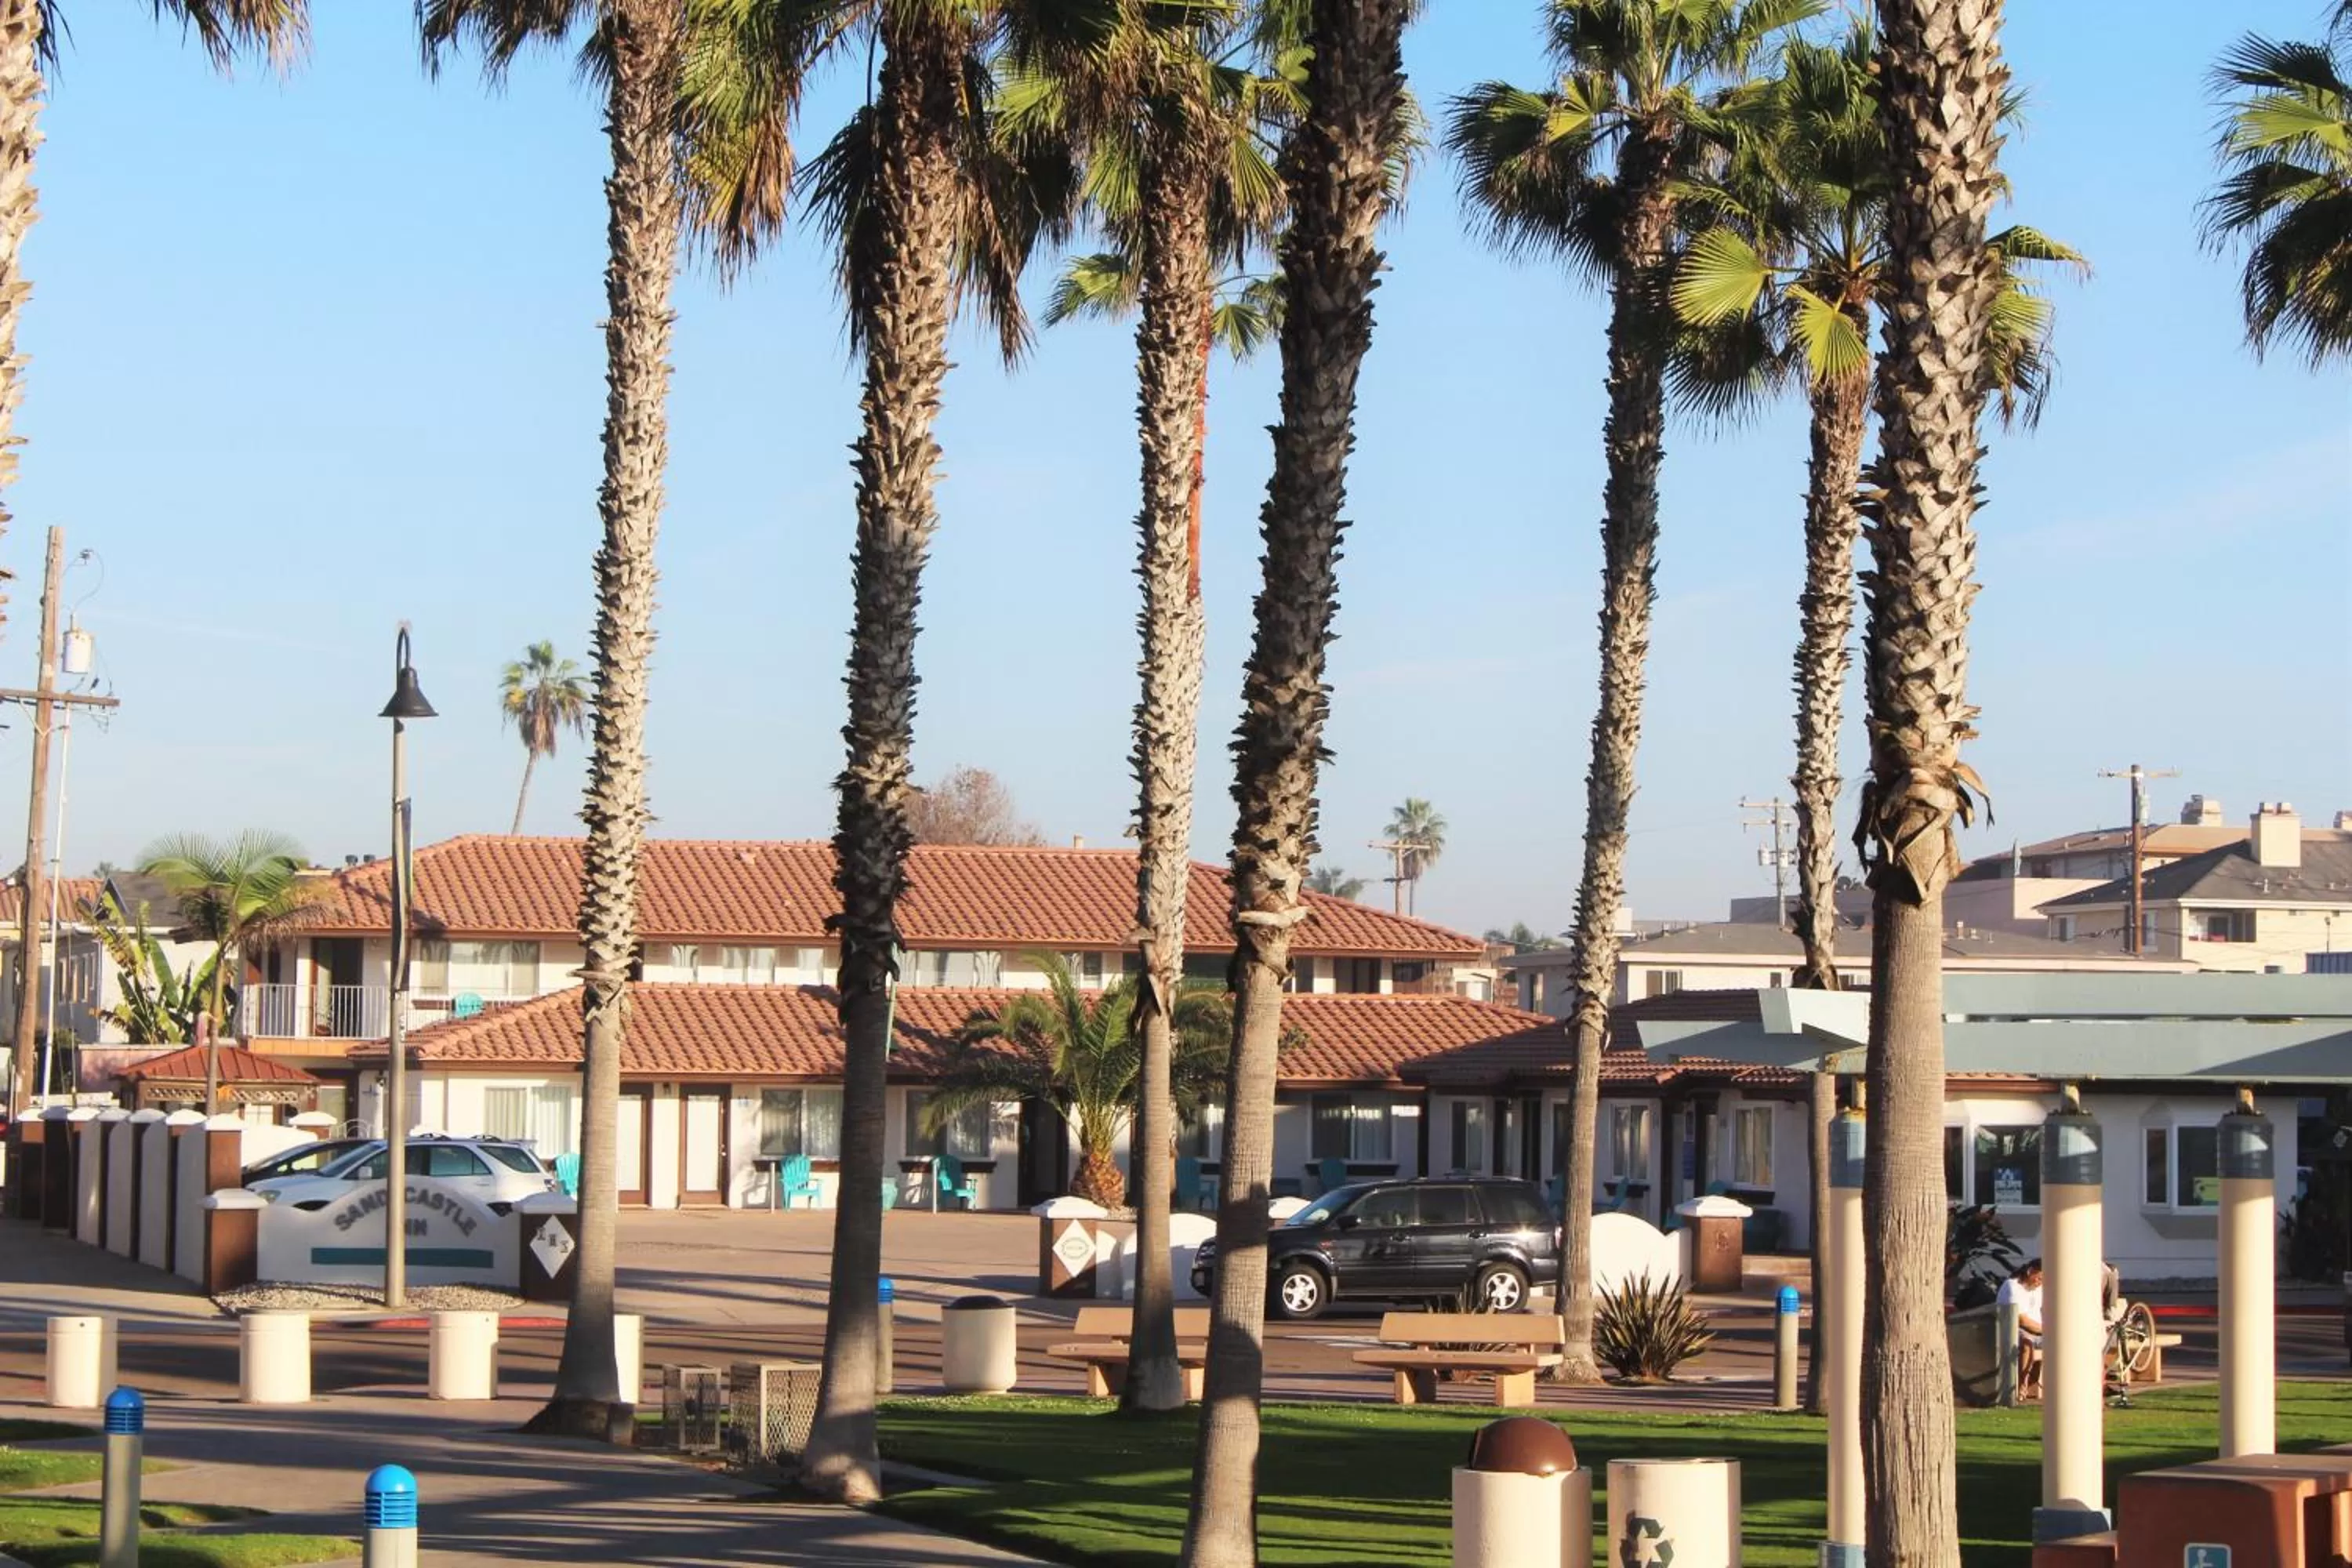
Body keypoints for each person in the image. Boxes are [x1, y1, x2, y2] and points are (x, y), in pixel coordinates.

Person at [1997, 1258, 2045, 1394]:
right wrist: (2046, 1330)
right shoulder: (2012, 1286)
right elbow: (2021, 1320)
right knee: (2027, 1342)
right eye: (2039, 1278)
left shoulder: (2039, 1289)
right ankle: (2021, 1386)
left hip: (2039, 1331)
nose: (2040, 1283)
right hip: (2014, 1329)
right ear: (2030, 1272)